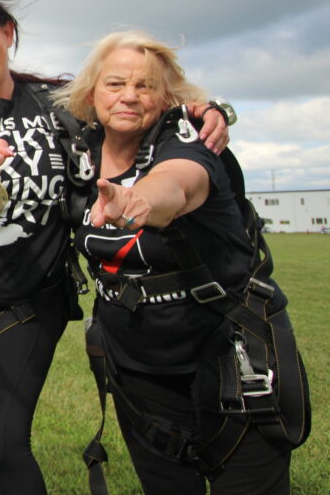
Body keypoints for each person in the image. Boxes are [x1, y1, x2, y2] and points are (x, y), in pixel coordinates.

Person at [0, 0, 230, 494]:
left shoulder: (62, 103)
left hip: (30, 300)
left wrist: (201, 107)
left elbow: (133, 101)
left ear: (8, 32)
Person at [53, 30, 308, 494]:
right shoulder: (76, 155)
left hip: (231, 354)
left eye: (144, 86)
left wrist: (143, 199)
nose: (129, 96)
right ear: (92, 94)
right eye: (115, 84)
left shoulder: (187, 143)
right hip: (137, 368)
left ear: (166, 98)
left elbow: (179, 183)